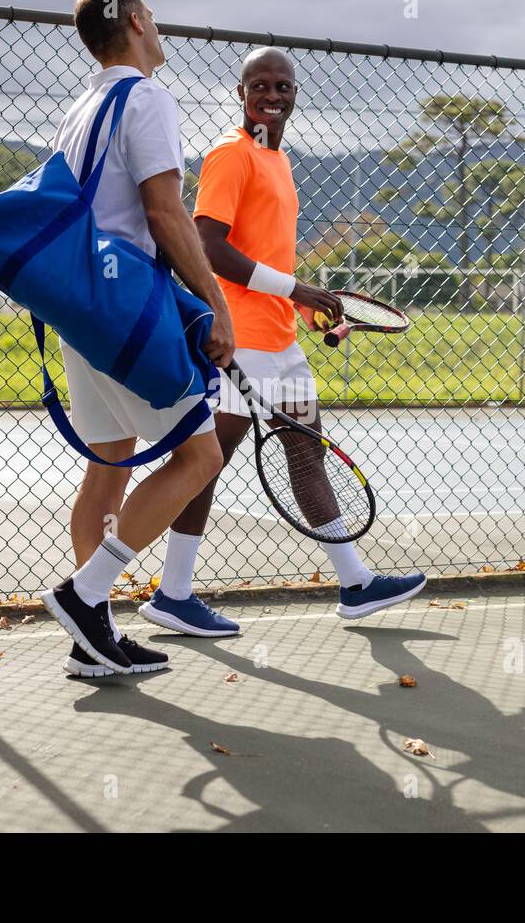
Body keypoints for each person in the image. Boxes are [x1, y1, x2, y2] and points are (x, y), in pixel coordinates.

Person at [135, 47, 427, 641]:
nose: (273, 95)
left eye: (283, 86)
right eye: (261, 86)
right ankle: (171, 592)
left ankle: (354, 584)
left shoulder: (280, 161)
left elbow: (266, 256)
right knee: (203, 467)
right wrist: (300, 288)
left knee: (303, 450)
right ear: (241, 93)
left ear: (295, 94)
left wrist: (304, 306)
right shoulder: (229, 155)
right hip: (237, 343)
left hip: (281, 340)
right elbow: (207, 245)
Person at [41, 0, 235, 675]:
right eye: (151, 16)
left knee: (107, 461)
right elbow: (164, 211)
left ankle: (90, 639)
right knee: (200, 456)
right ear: (134, 25)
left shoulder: (81, 106)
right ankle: (86, 595)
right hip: (124, 309)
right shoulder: (147, 97)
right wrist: (213, 301)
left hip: (78, 305)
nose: (159, 28)